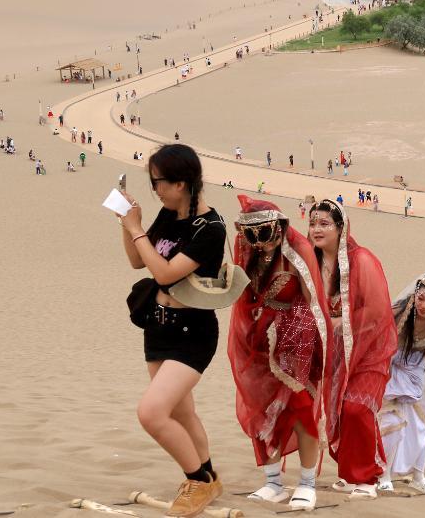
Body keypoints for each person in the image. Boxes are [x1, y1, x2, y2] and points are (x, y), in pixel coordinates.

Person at [117, 144, 226, 516]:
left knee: (151, 413)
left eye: (158, 182)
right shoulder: (168, 214)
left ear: (181, 182)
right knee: (181, 413)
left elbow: (164, 273)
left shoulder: (210, 228)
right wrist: (126, 224)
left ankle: (196, 481)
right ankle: (210, 477)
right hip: (158, 328)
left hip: (192, 332)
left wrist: (136, 229)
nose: (155, 190)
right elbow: (138, 260)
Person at [229, 196, 327, 510]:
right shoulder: (249, 252)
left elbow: (313, 302)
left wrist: (298, 340)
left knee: (301, 408)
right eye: (250, 234)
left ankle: (307, 483)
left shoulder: (298, 252)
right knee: (260, 409)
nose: (259, 241)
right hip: (258, 343)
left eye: (264, 232)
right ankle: (273, 482)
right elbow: (242, 298)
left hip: (295, 341)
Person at [308, 200, 396, 500]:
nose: (317, 229)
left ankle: (368, 478)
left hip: (370, 348)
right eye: (313, 223)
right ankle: (351, 474)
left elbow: (377, 310)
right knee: (338, 412)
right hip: (336, 351)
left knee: (357, 409)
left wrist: (338, 322)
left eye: (324, 224)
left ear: (340, 228)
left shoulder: (362, 260)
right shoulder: (313, 262)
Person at [378, 272, 425, 495]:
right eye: (420, 298)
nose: (424, 305)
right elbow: (379, 338)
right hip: (389, 367)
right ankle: (383, 474)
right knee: (391, 421)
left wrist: (415, 378)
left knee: (420, 425)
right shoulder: (399, 312)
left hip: (416, 371)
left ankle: (418, 476)